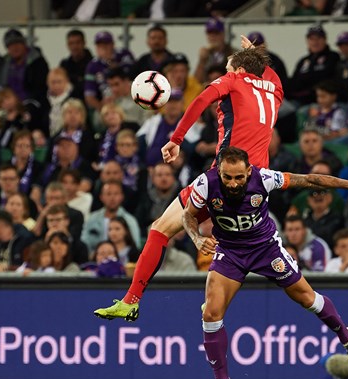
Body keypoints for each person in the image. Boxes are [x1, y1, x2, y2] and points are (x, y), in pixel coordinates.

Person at [94, 36, 283, 321]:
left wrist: (176, 139)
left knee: (160, 229)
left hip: (223, 177)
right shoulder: (276, 89)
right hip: (258, 184)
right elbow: (266, 71)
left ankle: (131, 300)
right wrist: (253, 53)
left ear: (240, 72)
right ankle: (214, 306)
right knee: (236, 247)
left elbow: (200, 100)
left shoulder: (233, 81)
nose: (226, 74)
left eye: (230, 69)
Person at [181, 146, 348, 379]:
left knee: (307, 299)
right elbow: (188, 216)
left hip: (265, 249)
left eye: (239, 177)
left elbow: (309, 180)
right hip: (230, 251)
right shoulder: (206, 184)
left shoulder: (264, 178)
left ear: (248, 171)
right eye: (228, 177)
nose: (233, 183)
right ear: (219, 171)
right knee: (211, 313)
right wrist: (196, 238)